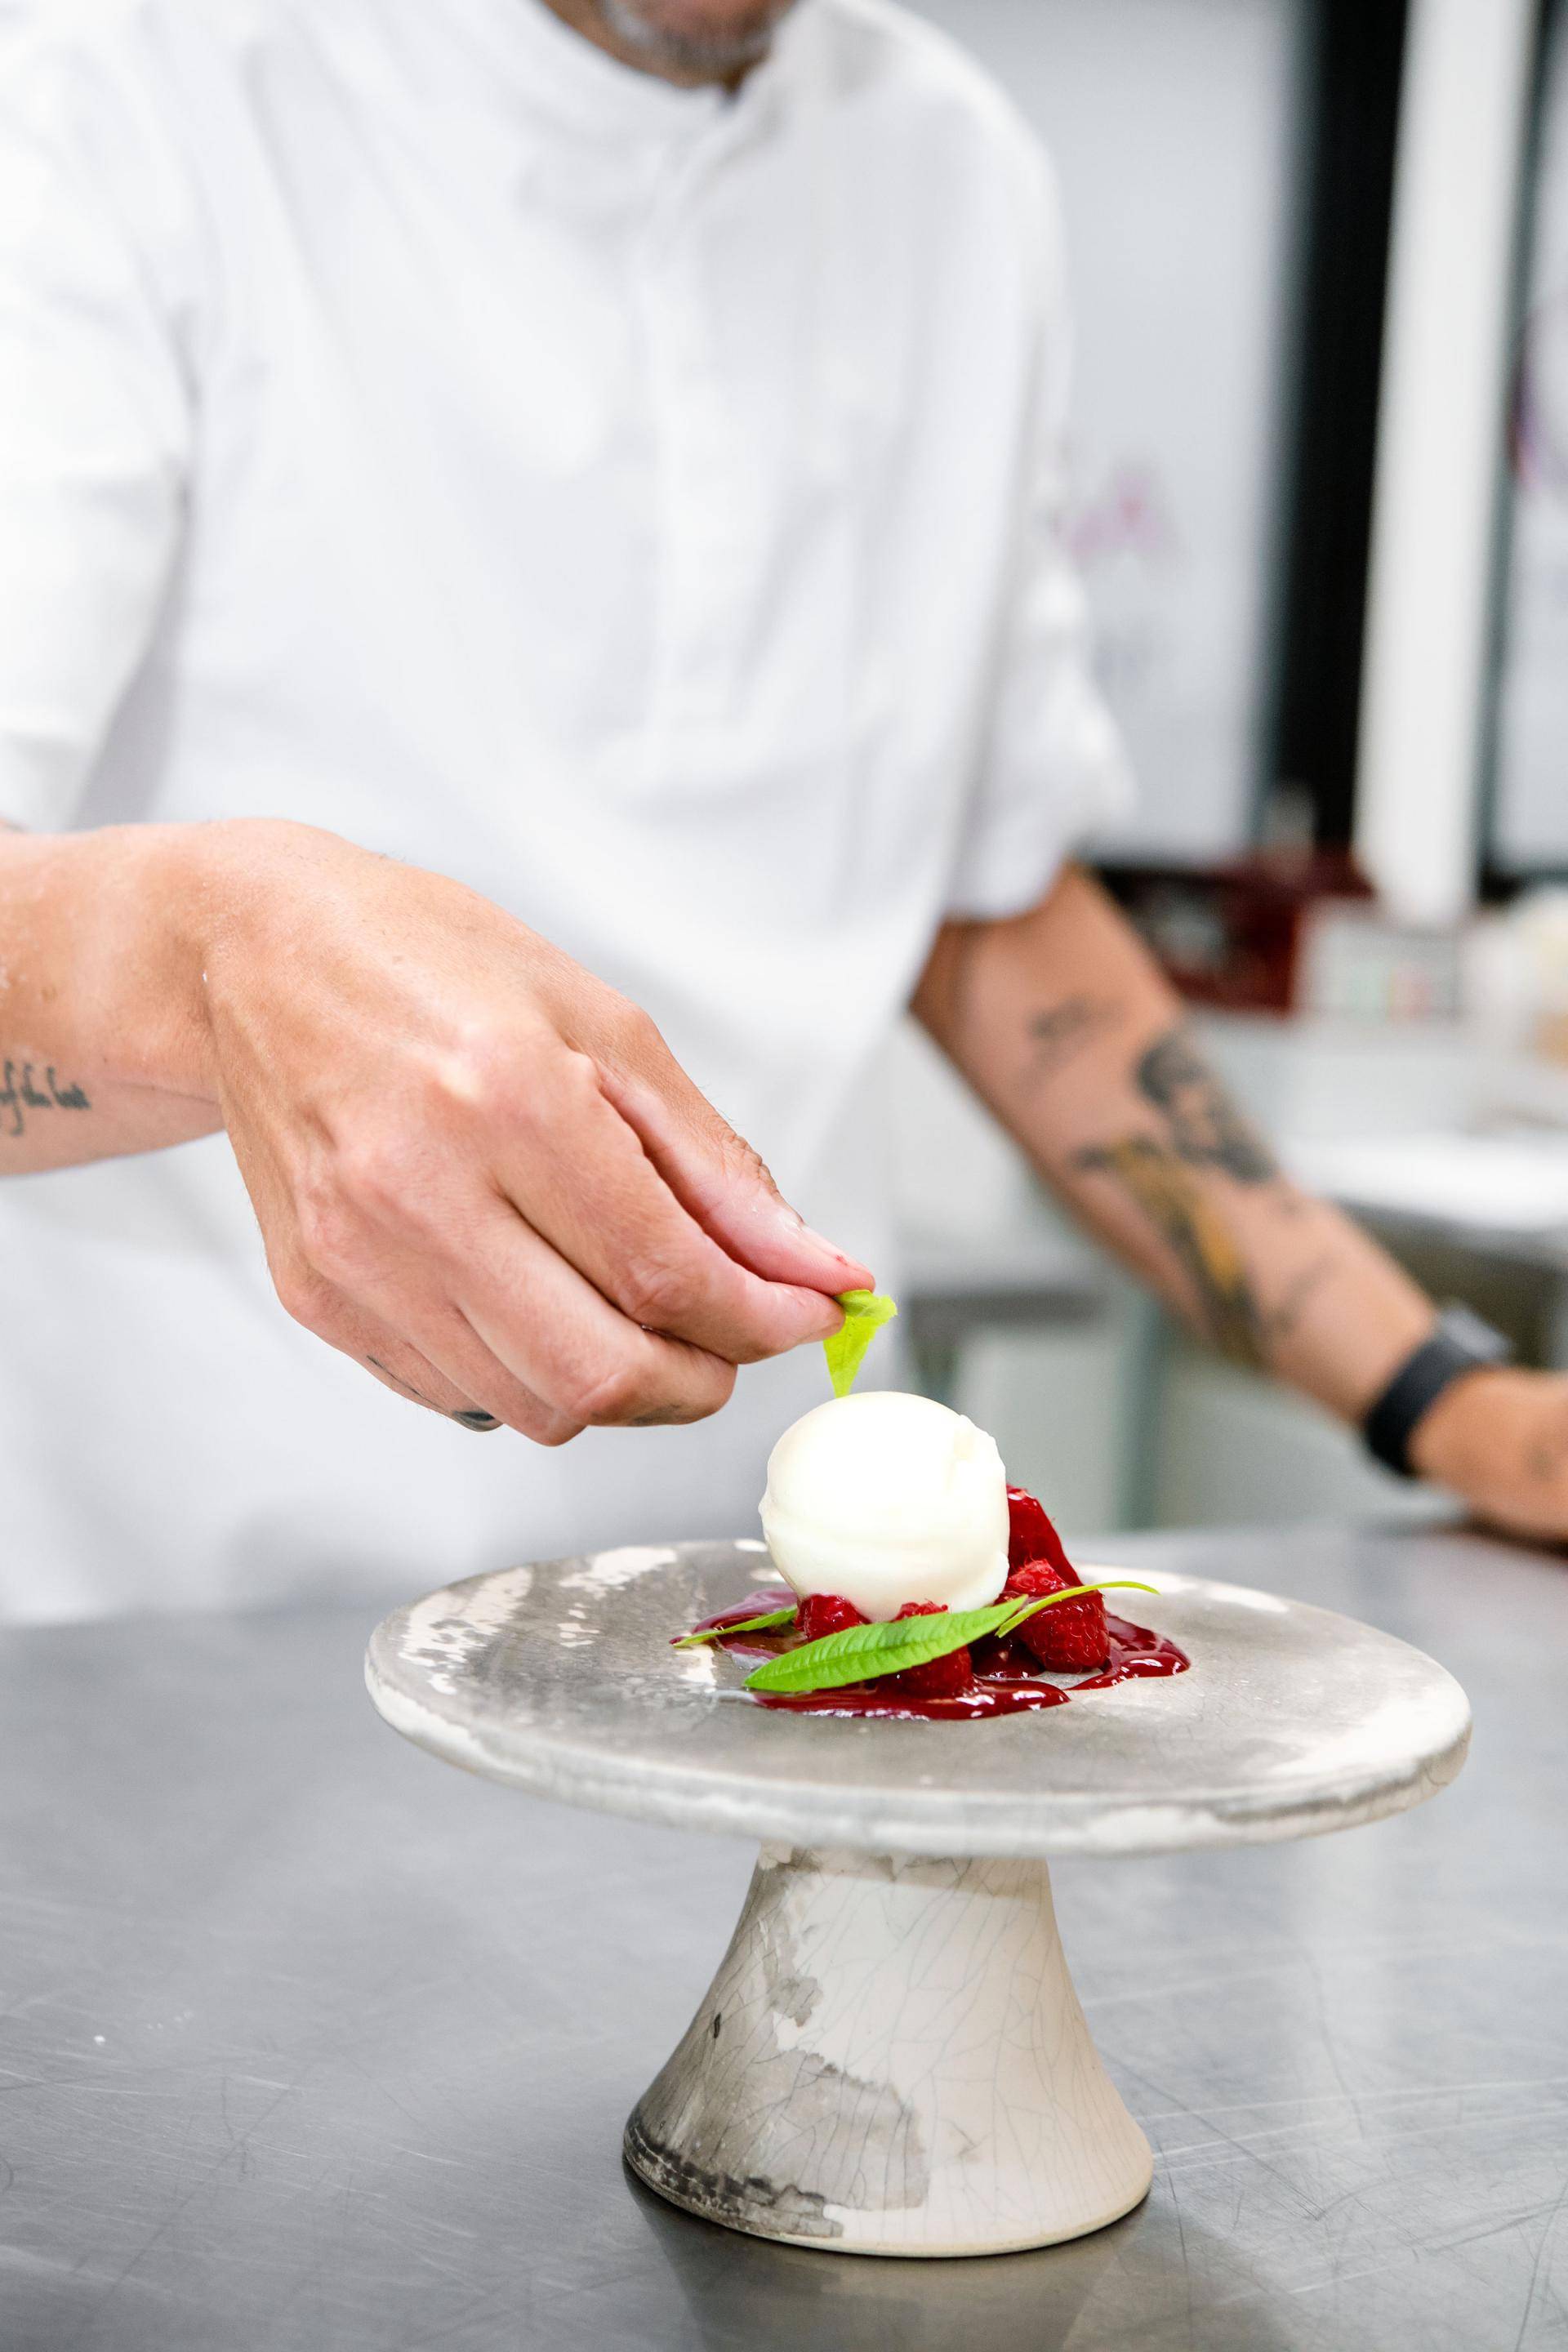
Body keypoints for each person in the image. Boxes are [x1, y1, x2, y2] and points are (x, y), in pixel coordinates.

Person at [1, 0, 1563, 1624]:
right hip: (159, 1641)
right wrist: (213, 958)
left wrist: (1441, 1395)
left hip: (745, 1633)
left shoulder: (954, 172)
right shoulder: (114, 88)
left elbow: (992, 916)